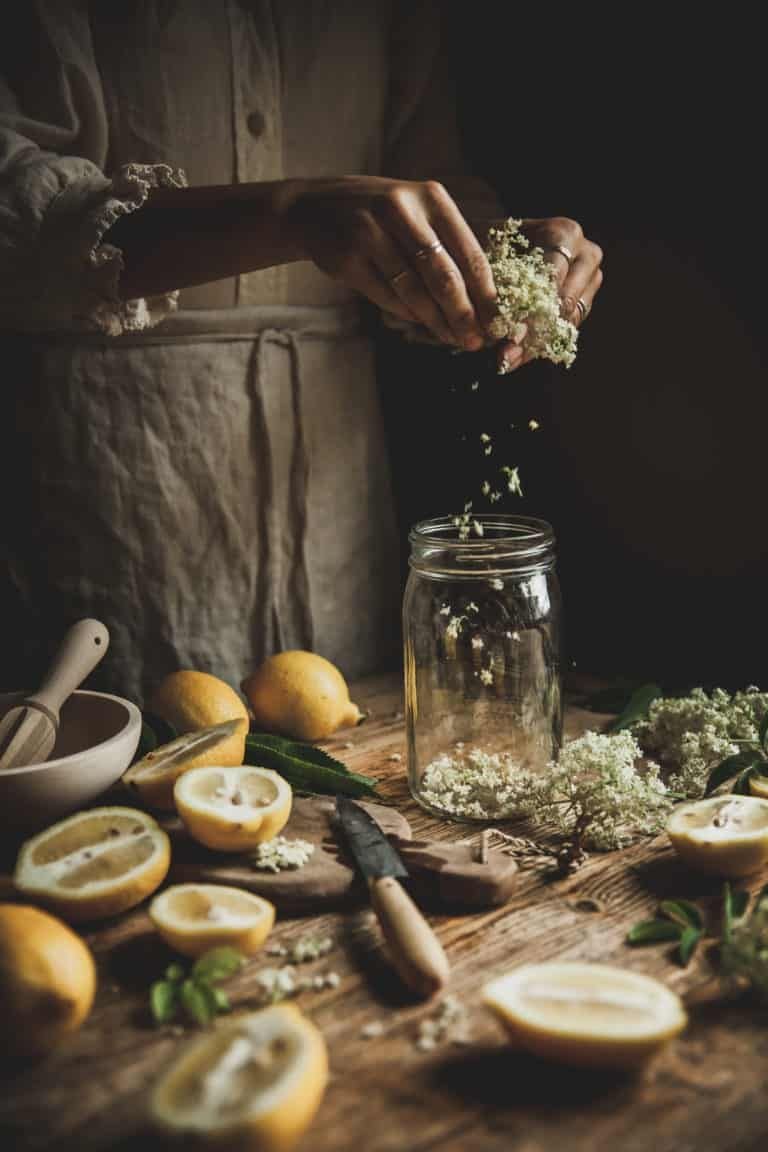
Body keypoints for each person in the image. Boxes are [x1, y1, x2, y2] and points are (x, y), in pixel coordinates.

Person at [0, 2, 603, 704]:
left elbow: (427, 170)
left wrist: (493, 261)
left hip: (330, 473)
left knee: (341, 732)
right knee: (114, 738)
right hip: (114, 464)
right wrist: (292, 212)